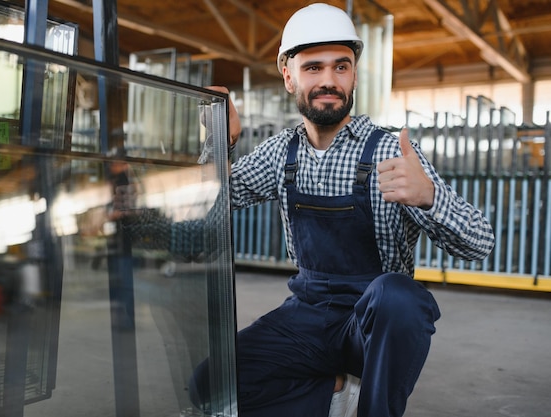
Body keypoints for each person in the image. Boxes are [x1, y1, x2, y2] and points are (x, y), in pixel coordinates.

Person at [192, 3, 495, 417]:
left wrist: (431, 197)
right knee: (210, 386)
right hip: (307, 315)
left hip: (371, 327)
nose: (329, 81)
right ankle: (336, 393)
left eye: (341, 66)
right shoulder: (282, 150)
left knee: (400, 297)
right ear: (288, 75)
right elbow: (207, 211)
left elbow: (480, 243)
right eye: (313, 68)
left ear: (354, 73)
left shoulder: (391, 149)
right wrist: (218, 146)